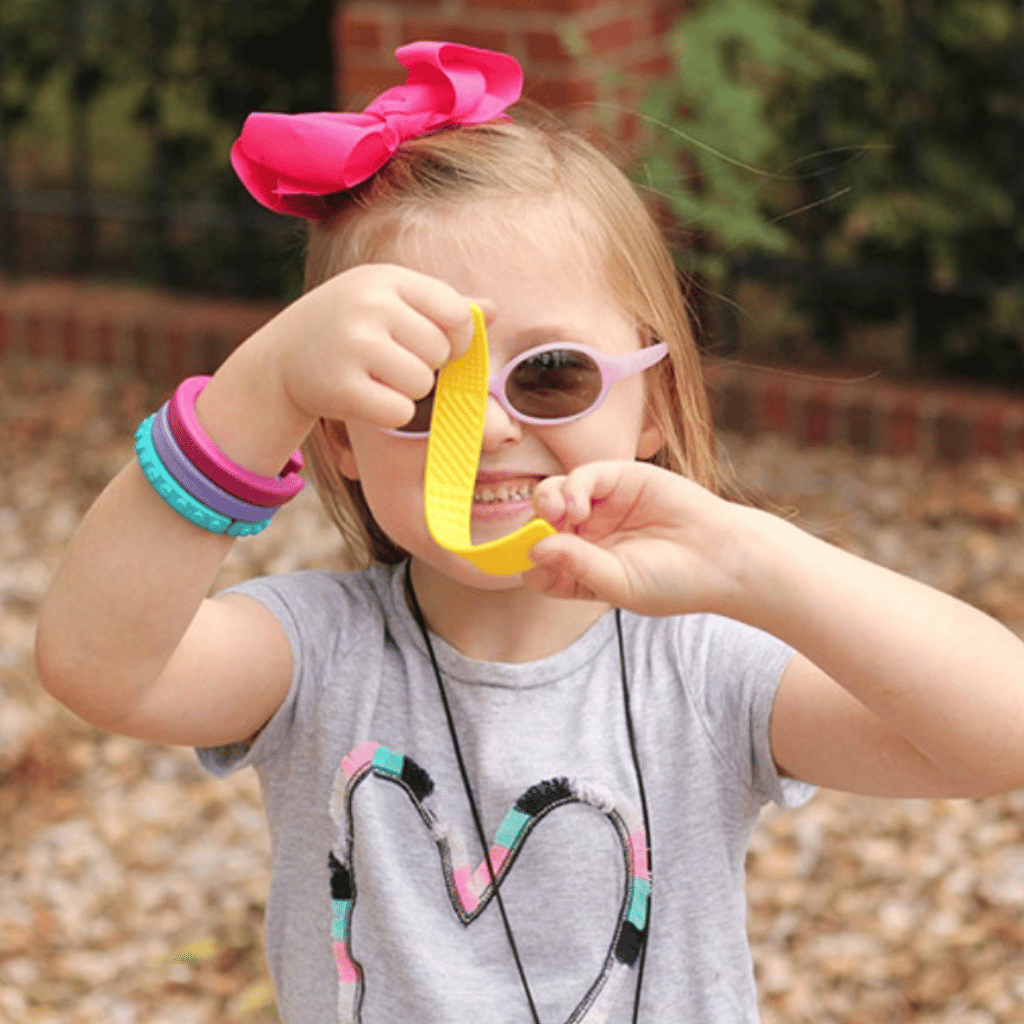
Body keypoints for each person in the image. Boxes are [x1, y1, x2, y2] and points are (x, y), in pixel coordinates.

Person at [35, 40, 1024, 1024]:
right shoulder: (314, 655)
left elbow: (1000, 734)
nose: (495, 426)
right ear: (336, 438)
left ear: (653, 404)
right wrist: (254, 394)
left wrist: (748, 557)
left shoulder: (703, 668)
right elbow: (97, 664)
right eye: (424, 392)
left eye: (552, 374)